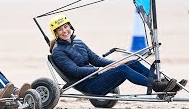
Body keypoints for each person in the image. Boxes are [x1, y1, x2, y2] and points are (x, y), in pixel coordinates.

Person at [49, 15, 187, 96]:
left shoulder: (78, 41)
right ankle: (156, 86)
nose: (64, 31)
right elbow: (75, 71)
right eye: (60, 29)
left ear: (70, 26)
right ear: (55, 33)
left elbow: (95, 59)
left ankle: (162, 83)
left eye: (66, 27)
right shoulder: (58, 52)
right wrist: (101, 70)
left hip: (95, 77)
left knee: (131, 62)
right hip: (87, 85)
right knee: (122, 70)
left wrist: (113, 63)